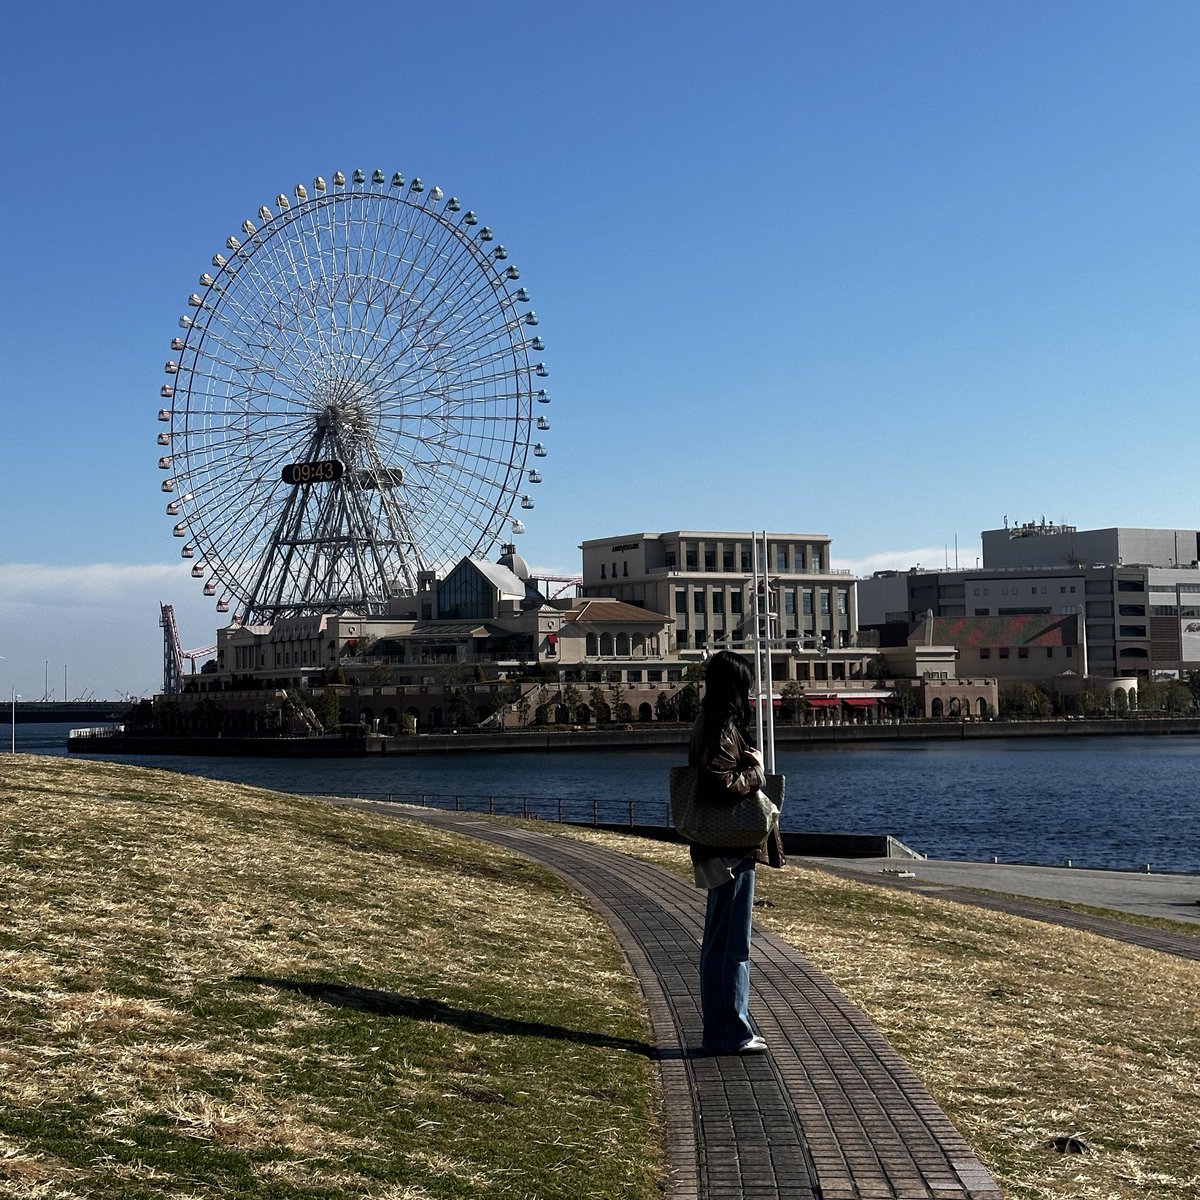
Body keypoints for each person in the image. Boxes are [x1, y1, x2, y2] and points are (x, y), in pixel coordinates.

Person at [688, 649, 785, 1055]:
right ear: (735, 688)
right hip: (730, 845)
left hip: (716, 844)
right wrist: (756, 772)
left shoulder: (708, 723)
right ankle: (731, 1031)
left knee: (719, 941)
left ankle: (725, 1028)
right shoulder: (720, 728)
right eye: (745, 686)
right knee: (732, 943)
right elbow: (719, 782)